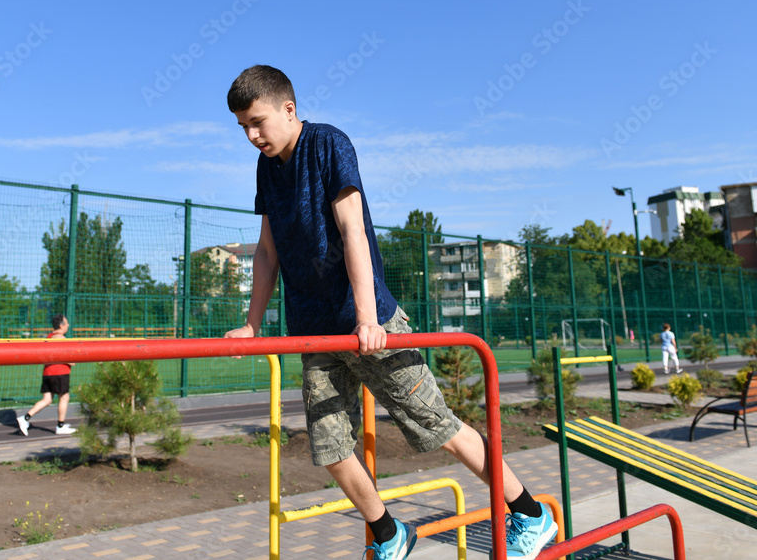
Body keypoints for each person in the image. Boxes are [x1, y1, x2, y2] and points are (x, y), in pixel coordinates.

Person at [223, 65, 556, 560]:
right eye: (243, 128)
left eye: (258, 122)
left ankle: (530, 514)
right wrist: (252, 324)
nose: (252, 136)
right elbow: (268, 251)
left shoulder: (327, 145)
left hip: (369, 321)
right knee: (331, 448)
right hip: (315, 333)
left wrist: (368, 320)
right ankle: (389, 535)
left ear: (288, 109)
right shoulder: (265, 168)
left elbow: (352, 230)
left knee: (438, 427)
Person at [17, 314, 77, 436]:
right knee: (64, 398)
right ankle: (60, 426)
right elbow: (71, 360)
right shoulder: (61, 339)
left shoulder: (49, 337)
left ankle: (25, 418)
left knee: (47, 399)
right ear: (61, 325)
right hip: (59, 372)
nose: (68, 325)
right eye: (67, 323)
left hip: (48, 372)